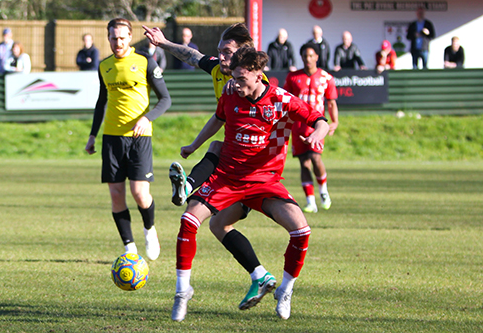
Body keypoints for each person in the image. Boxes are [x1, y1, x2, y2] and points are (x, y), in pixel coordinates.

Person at [170, 46, 329, 321]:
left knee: (301, 231)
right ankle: (182, 292)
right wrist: (194, 145)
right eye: (233, 77)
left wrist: (317, 134)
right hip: (227, 178)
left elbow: (319, 120)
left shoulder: (281, 99)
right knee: (189, 220)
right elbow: (217, 119)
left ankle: (285, 290)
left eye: (241, 78)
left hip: (265, 181)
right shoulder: (230, 93)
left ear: (258, 75)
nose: (235, 83)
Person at [144, 23, 276, 312]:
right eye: (220, 51)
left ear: (243, 55)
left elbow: (270, 105)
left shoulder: (254, 81)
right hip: (232, 163)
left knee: (217, 150)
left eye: (227, 52)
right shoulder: (219, 70)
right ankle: (260, 276)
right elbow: (193, 56)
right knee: (218, 224)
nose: (221, 57)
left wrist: (239, 89)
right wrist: (163, 43)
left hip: (254, 170)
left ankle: (188, 186)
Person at [85, 18, 171, 262]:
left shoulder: (145, 61)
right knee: (116, 195)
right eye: (113, 38)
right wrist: (92, 135)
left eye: (122, 38)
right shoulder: (104, 66)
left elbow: (165, 99)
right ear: (108, 38)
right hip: (112, 138)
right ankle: (129, 247)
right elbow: (101, 102)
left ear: (130, 37)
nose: (118, 42)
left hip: (139, 137)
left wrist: (147, 118)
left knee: (140, 193)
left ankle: (149, 230)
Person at [284, 42, 338, 213]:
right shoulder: (293, 77)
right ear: (301, 57)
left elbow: (331, 102)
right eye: (305, 56)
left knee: (315, 158)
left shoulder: (326, 78)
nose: (308, 59)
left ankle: (323, 191)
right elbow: (285, 100)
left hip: (316, 125)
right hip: (298, 126)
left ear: (317, 57)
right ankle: (310, 201)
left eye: (311, 55)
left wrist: (334, 121)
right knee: (304, 162)